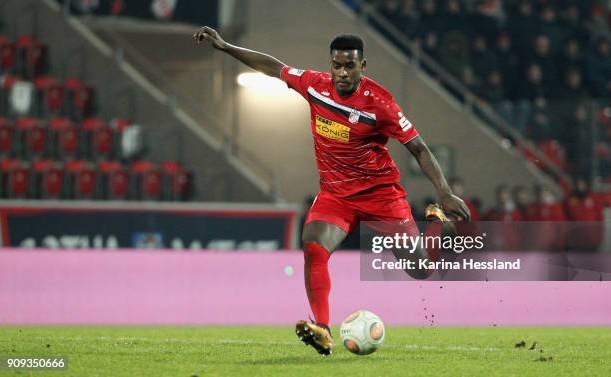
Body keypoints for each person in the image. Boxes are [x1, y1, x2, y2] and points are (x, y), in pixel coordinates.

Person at [193, 27, 470, 356]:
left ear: (362, 66)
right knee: (313, 245)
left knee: (420, 269)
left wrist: (444, 193)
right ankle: (322, 329)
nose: (341, 72)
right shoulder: (315, 85)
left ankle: (436, 225)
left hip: (382, 198)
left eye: (349, 66)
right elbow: (273, 66)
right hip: (336, 197)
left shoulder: (380, 103)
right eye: (336, 65)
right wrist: (225, 47)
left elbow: (420, 149)